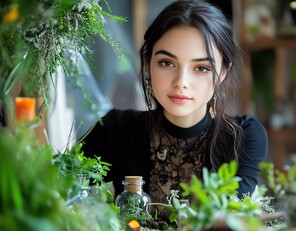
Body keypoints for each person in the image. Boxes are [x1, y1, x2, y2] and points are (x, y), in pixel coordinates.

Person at [80, 0, 268, 203]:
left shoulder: (242, 137)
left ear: (223, 72)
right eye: (167, 63)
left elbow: (232, 218)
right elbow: (65, 195)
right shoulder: (113, 130)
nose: (181, 82)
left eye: (201, 67)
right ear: (148, 62)